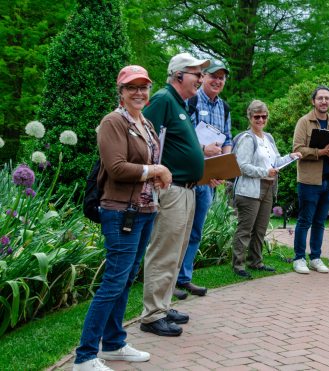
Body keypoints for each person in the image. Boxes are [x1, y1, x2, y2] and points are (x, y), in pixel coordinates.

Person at [73, 65, 172, 371]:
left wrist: (154, 176)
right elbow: (116, 167)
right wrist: (155, 171)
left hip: (144, 210)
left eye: (144, 87)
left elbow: (147, 163)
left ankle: (114, 344)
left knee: (126, 279)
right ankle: (85, 356)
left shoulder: (146, 123)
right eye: (132, 87)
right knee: (113, 282)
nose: (139, 93)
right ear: (121, 92)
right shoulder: (112, 122)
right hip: (120, 211)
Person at [140, 53, 209, 337]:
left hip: (188, 189)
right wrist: (155, 173)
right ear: (179, 75)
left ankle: (164, 306)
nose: (201, 80)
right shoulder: (162, 100)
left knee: (176, 251)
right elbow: (143, 139)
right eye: (197, 74)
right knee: (163, 252)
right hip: (172, 190)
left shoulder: (179, 104)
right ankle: (152, 315)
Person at [174, 59, 232, 300]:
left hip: (209, 180)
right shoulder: (191, 101)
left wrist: (221, 169)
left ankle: (184, 278)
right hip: (187, 177)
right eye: (213, 76)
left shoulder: (224, 107)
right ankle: (169, 278)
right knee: (178, 230)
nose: (217, 81)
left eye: (222, 77)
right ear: (203, 77)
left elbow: (228, 139)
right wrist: (202, 148)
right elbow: (180, 137)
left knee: (196, 230)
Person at [232, 100, 301, 278]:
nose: (261, 120)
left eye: (264, 116)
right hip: (249, 189)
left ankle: (256, 261)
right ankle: (238, 265)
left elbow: (275, 161)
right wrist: (265, 172)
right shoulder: (247, 139)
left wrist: (290, 157)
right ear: (250, 117)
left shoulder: (268, 137)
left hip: (268, 188)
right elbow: (242, 166)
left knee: (260, 229)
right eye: (257, 117)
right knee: (245, 229)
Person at [292, 85, 329, 274]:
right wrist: (320, 152)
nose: (324, 101)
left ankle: (315, 257)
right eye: (320, 98)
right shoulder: (304, 122)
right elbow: (297, 149)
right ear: (313, 101)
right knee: (305, 220)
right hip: (309, 181)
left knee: (320, 221)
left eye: (327, 98)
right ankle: (299, 258)